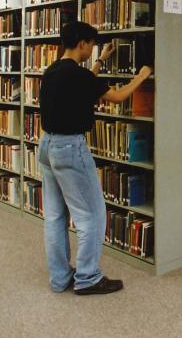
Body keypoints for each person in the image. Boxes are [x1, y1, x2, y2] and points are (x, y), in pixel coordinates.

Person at [38, 21, 152, 295]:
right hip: (70, 148)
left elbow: (86, 82)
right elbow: (116, 96)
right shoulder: (80, 76)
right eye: (92, 45)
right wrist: (142, 76)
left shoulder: (52, 70)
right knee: (92, 215)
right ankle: (88, 278)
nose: (92, 50)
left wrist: (101, 60)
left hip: (46, 145)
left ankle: (60, 278)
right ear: (82, 44)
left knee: (54, 216)